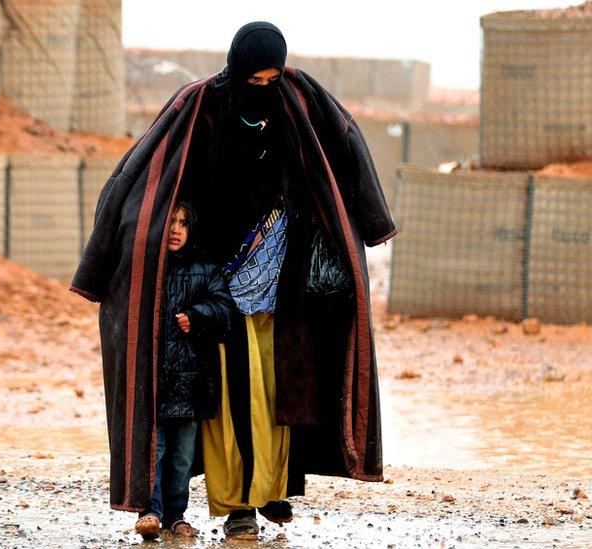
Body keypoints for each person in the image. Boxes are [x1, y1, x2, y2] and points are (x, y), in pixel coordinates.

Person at [71, 21, 395, 542]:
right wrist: (109, 257)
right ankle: (236, 505)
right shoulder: (198, 105)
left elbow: (345, 146)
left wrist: (370, 223)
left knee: (277, 389)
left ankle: (272, 489)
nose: (263, 89)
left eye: (271, 79)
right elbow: (141, 172)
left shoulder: (299, 101)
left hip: (282, 280)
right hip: (217, 280)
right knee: (225, 398)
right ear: (237, 68)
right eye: (254, 79)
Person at [133, 201, 232, 540]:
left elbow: (224, 310)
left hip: (190, 384)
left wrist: (199, 315)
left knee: (181, 458)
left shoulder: (206, 270)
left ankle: (177, 515)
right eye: (170, 221)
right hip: (155, 383)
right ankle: (152, 511)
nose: (175, 228)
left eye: (184, 223)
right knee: (155, 451)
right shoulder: (147, 268)